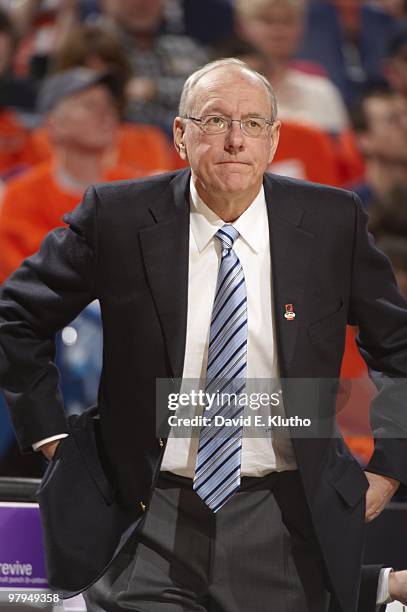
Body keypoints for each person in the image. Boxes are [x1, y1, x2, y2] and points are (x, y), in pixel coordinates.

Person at [0, 58, 407, 612]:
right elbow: (16, 314)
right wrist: (47, 432)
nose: (236, 140)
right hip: (149, 512)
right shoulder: (117, 216)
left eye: (254, 124)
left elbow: (397, 345)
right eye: (214, 121)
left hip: (286, 515)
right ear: (181, 136)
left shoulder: (332, 221)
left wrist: (389, 463)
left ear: (274, 138)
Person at [0, 67, 139, 283]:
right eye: (89, 105)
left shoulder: (136, 191)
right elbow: (25, 286)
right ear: (54, 123)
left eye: (110, 105)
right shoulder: (21, 196)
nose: (106, 114)